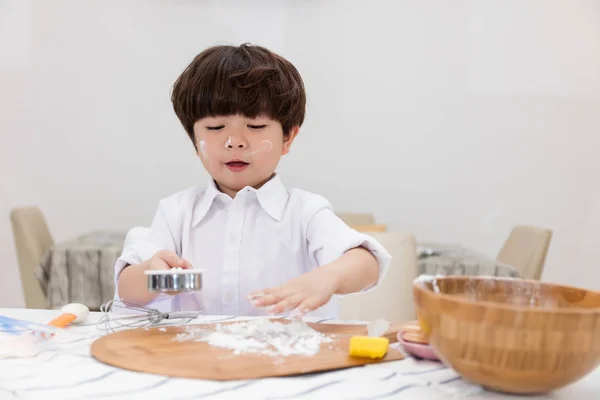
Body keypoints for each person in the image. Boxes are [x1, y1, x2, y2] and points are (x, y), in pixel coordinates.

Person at [113, 43, 392, 318]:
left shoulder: (305, 212)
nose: (235, 142)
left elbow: (367, 263)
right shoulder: (176, 212)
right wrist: (154, 276)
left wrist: (327, 278)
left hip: (290, 357)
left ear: (287, 138)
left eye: (256, 127)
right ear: (194, 141)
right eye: (215, 128)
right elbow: (127, 288)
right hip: (199, 358)